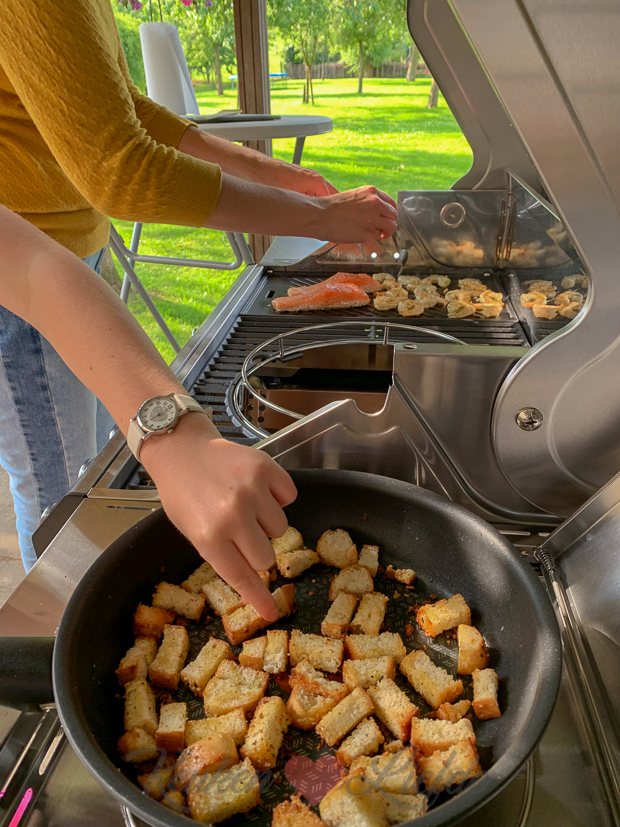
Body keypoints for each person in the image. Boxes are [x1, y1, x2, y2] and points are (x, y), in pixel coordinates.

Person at [0, 0, 397, 615]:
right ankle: (55, 633)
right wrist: (171, 433)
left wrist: (279, 179)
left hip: (64, 253)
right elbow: (121, 169)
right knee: (62, 500)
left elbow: (123, 114)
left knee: (88, 469)